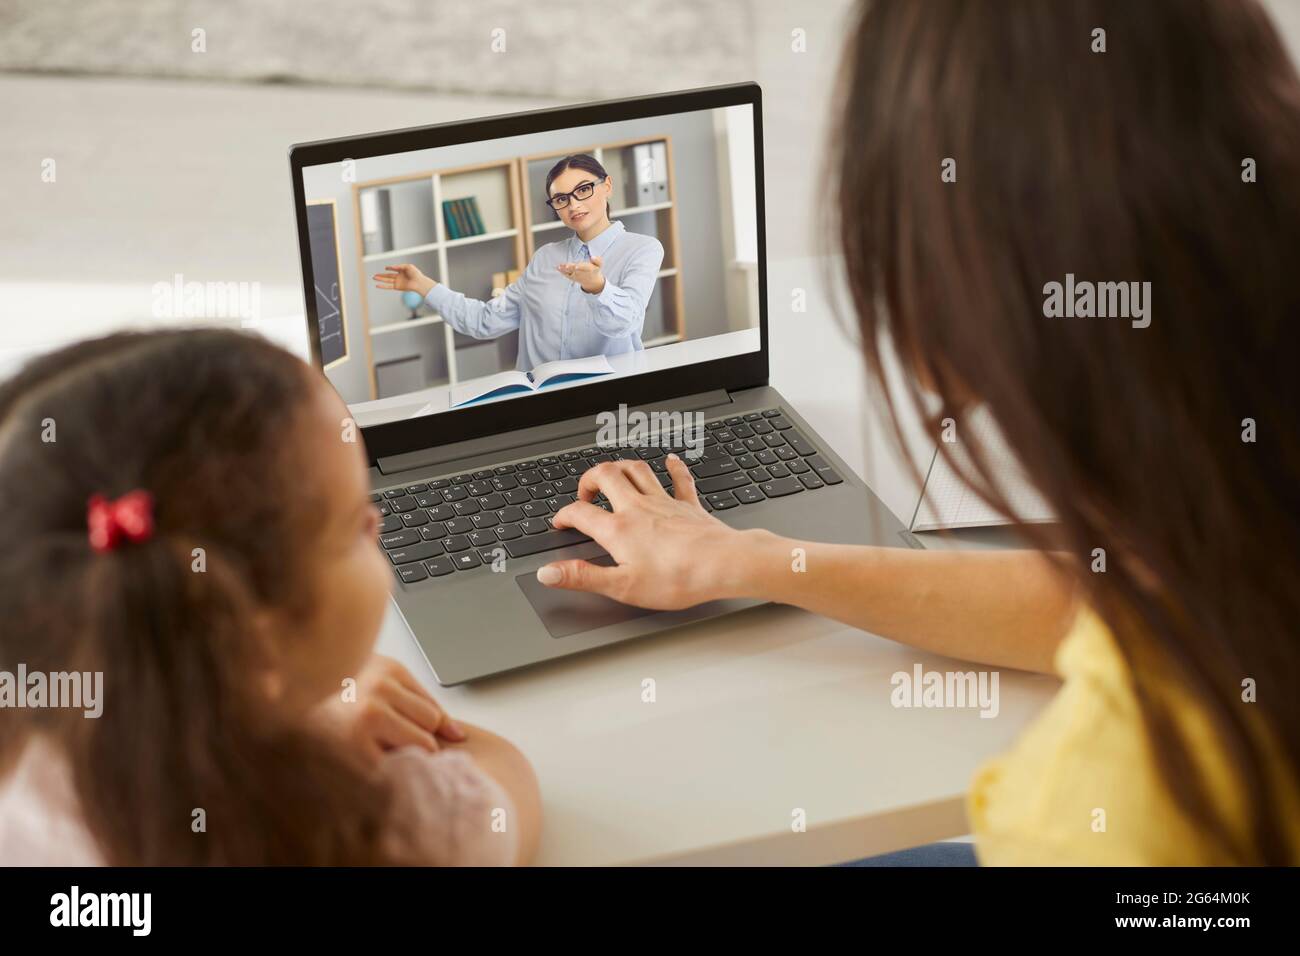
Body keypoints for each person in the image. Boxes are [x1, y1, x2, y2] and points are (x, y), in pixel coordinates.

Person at [534, 0, 1300, 865]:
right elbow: (1121, 606)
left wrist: (497, 791)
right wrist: (747, 558)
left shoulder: (1116, 815)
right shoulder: (1224, 541)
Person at [0, 329, 540, 865]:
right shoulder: (390, 827)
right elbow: (505, 779)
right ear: (255, 644)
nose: (379, 520)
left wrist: (262, 695)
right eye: (356, 524)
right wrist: (308, 721)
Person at [375, 154, 664, 371]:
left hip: (610, 407)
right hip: (541, 408)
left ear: (607, 186)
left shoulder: (643, 249)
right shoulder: (545, 258)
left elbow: (625, 323)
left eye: (583, 189)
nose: (574, 205)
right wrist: (424, 286)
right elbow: (485, 321)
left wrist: (597, 288)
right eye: (561, 199)